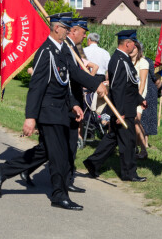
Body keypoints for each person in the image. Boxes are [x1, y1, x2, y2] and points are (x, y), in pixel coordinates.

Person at [0, 14, 85, 210]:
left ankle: (4, 169)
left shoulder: (62, 51)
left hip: (60, 111)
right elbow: (37, 87)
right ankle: (59, 195)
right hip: (48, 113)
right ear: (56, 28)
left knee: (45, 151)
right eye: (66, 28)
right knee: (59, 156)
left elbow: (63, 84)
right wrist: (30, 117)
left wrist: (73, 103)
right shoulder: (46, 51)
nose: (69, 32)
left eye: (70, 29)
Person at [19, 16, 107, 192]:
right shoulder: (62, 48)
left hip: (70, 102)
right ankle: (58, 183)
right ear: (72, 31)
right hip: (61, 104)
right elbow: (71, 74)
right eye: (82, 32)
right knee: (54, 147)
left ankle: (64, 180)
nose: (84, 36)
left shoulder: (71, 48)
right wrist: (94, 83)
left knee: (63, 145)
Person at [83, 30, 147, 182]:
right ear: (127, 44)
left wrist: (139, 99)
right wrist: (120, 113)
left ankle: (93, 163)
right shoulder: (118, 60)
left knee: (113, 139)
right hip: (123, 110)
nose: (135, 46)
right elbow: (117, 88)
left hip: (127, 106)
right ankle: (129, 173)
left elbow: (129, 85)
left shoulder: (123, 59)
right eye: (133, 43)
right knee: (128, 142)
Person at [131, 42, 150, 159]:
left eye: (134, 48)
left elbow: (142, 82)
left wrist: (138, 97)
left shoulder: (143, 62)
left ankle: (143, 149)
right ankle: (136, 147)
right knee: (134, 123)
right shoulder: (127, 61)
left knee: (136, 122)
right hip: (128, 96)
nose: (132, 50)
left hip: (138, 97)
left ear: (138, 50)